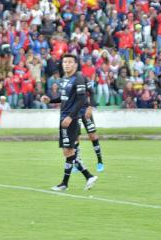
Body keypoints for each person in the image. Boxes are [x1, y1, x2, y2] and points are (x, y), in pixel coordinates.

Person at [41, 54, 98, 191]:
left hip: (70, 120)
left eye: (70, 62)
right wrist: (51, 100)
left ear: (75, 65)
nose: (66, 64)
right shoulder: (64, 79)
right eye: (64, 62)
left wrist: (71, 117)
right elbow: (64, 98)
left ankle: (66, 183)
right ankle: (87, 176)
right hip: (64, 118)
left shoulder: (78, 78)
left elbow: (82, 100)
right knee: (68, 152)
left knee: (69, 151)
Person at [75, 78, 104, 172]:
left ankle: (100, 161)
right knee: (76, 136)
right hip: (75, 111)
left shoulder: (84, 79)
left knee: (92, 135)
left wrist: (90, 107)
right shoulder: (68, 79)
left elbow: (92, 92)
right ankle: (77, 163)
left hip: (85, 109)